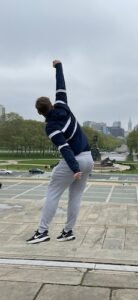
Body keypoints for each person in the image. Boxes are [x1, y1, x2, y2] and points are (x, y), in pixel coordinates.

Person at [27, 60, 93, 244]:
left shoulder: (51, 126)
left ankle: (42, 232)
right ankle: (68, 231)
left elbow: (64, 147)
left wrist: (74, 168)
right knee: (76, 196)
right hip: (89, 158)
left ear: (40, 113)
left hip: (76, 161)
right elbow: (61, 85)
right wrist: (58, 66)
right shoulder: (63, 106)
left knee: (53, 193)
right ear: (52, 103)